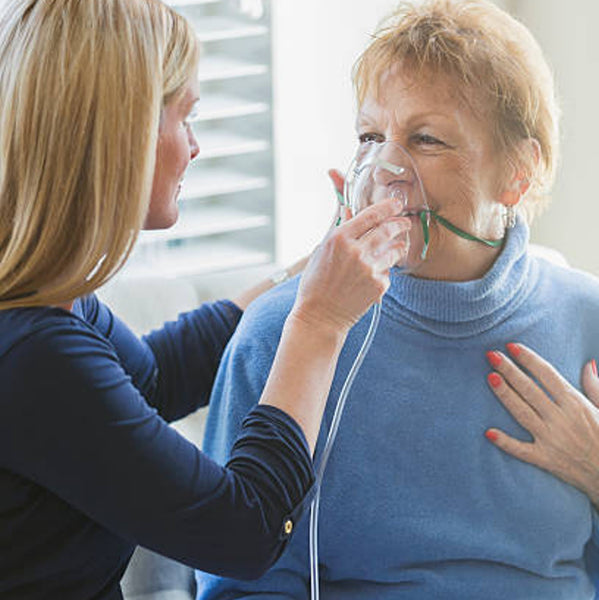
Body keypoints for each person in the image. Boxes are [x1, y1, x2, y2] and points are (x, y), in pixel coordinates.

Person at [0, 0, 410, 597]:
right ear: (123, 132)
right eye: (184, 117)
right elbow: (243, 531)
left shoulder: (48, 297)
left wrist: (312, 267)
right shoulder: (34, 356)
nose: (195, 147)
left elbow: (155, 379)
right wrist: (318, 321)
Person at [195, 1, 599, 598]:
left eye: (426, 139)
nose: (386, 167)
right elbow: (236, 586)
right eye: (370, 136)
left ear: (518, 172)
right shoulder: (285, 337)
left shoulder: (586, 321)